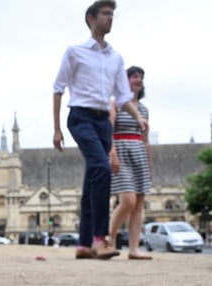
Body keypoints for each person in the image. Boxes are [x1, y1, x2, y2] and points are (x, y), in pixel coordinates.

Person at [52, 0, 148, 259]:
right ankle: (99, 239)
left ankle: (83, 245)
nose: (110, 18)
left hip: (103, 120)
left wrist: (138, 116)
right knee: (101, 169)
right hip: (81, 116)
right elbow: (58, 88)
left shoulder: (116, 58)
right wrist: (57, 129)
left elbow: (123, 95)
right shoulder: (75, 52)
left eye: (112, 14)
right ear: (90, 18)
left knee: (90, 180)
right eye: (106, 14)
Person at [107, 66, 153, 260]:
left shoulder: (143, 109)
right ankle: (109, 241)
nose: (139, 79)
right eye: (134, 76)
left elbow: (145, 140)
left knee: (139, 204)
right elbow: (108, 130)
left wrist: (149, 166)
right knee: (127, 200)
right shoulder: (115, 103)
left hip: (139, 152)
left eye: (141, 77)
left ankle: (134, 248)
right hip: (121, 150)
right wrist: (112, 153)